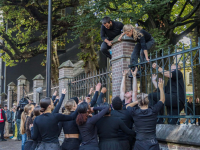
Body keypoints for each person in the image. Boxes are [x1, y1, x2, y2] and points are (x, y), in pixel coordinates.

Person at [126, 68, 165, 150]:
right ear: (148, 102)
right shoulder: (153, 110)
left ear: (139, 103)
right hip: (152, 143)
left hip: (140, 144)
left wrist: (138, 101)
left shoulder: (135, 112)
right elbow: (162, 100)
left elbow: (127, 106)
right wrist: (161, 88)